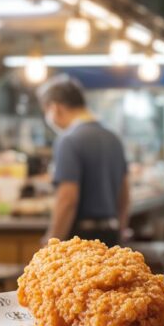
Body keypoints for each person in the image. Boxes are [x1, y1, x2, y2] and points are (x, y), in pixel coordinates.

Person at [37, 75, 128, 247]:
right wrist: (121, 231)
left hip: (80, 239)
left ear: (55, 107)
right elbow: (124, 194)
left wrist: (51, 243)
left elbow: (67, 198)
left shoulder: (69, 140)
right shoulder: (113, 137)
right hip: (111, 233)